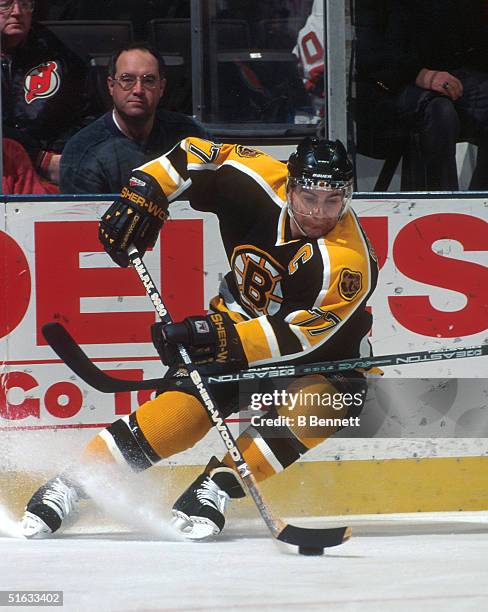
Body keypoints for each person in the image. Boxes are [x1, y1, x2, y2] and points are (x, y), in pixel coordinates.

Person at [21, 136, 378, 540]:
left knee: (336, 401)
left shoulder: (348, 262)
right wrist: (146, 190)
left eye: (333, 200)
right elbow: (193, 153)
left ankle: (216, 487)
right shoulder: (256, 177)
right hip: (240, 320)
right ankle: (74, 483)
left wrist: (210, 336)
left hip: (322, 358)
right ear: (290, 184)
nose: (318, 212)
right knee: (184, 414)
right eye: (309, 196)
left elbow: (297, 335)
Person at [356, 0, 488, 190]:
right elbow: (367, 53)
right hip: (384, 90)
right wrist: (420, 75)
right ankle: (439, 207)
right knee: (439, 111)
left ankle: (481, 203)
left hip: (447, 77)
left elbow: (474, 43)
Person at [60, 42, 210, 194]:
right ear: (111, 86)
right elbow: (83, 216)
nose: (138, 90)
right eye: (127, 79)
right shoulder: (82, 151)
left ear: (162, 88)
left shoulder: (192, 135)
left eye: (149, 80)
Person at [1, 0, 88, 184]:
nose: (17, 12)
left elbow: (85, 113)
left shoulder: (55, 52)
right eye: (5, 4)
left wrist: (61, 152)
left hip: (52, 171)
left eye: (25, 4)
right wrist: (39, 157)